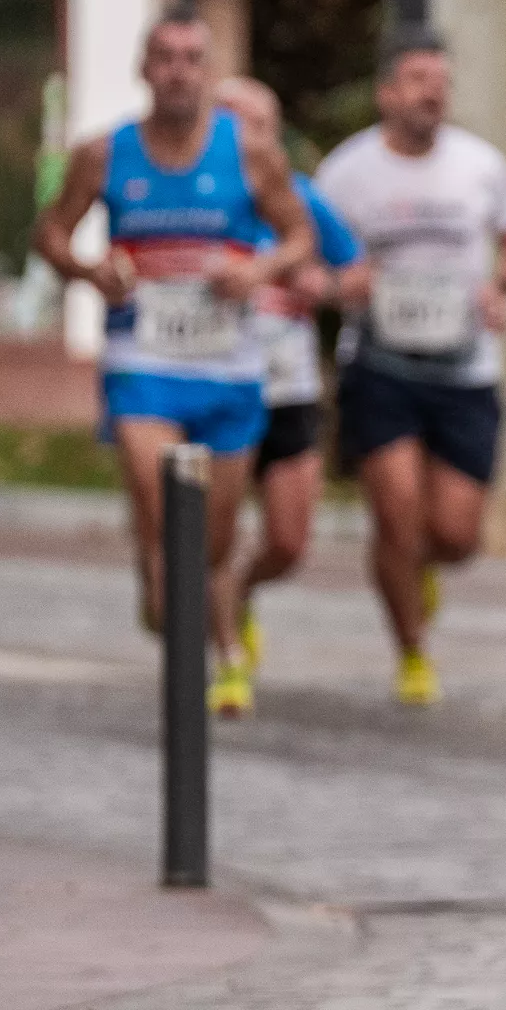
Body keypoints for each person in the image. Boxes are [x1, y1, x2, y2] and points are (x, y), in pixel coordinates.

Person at [30, 11, 317, 716]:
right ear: (143, 68)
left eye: (193, 58)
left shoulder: (250, 154)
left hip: (229, 371)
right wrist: (90, 270)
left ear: (209, 72)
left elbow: (299, 235)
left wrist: (258, 273)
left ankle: (189, 608)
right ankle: (187, 623)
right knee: (166, 523)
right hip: (143, 365)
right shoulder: (104, 154)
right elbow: (51, 235)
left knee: (213, 544)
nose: (179, 71)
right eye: (165, 57)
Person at [315, 26, 506, 707]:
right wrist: (338, 284)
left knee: (457, 535)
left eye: (441, 80)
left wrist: (502, 287)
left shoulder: (482, 166)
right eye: (417, 79)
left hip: (465, 368)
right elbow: (310, 255)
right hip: (381, 366)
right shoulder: (347, 173)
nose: (432, 91)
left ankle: (422, 570)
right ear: (386, 94)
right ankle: (412, 651)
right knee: (396, 511)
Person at [212, 77, 368, 679]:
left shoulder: (300, 198)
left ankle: (244, 591)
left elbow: (358, 275)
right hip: (218, 387)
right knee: (215, 536)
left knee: (289, 541)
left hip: (288, 387)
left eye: (259, 126)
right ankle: (227, 659)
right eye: (233, 124)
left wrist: (323, 287)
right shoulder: (194, 199)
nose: (247, 138)